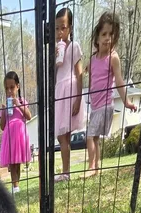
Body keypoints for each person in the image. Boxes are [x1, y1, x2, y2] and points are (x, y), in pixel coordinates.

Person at [86, 11, 136, 177]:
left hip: (105, 104)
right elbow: (87, 74)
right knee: (95, 138)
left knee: (90, 136)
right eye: (104, 34)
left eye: (111, 34)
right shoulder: (93, 59)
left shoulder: (113, 58)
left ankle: (91, 168)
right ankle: (96, 168)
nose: (108, 38)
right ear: (98, 37)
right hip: (94, 105)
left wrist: (127, 101)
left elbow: (120, 82)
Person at [54, 7, 85, 182]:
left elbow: (79, 73)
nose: (60, 32)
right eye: (57, 28)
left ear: (70, 28)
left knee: (63, 135)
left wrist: (78, 99)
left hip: (69, 91)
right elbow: (57, 70)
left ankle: (66, 172)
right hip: (60, 90)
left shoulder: (74, 46)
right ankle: (65, 171)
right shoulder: (57, 48)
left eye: (63, 27)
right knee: (61, 135)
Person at [0, 71, 32, 194]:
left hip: (20, 135)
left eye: (12, 87)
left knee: (18, 162)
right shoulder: (5, 105)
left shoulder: (22, 101)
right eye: (7, 88)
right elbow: (2, 126)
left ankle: (16, 185)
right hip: (9, 135)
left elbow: (29, 116)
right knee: (12, 162)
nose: (9, 91)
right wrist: (3, 111)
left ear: (17, 86)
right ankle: (15, 186)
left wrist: (18, 104)